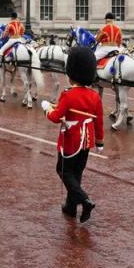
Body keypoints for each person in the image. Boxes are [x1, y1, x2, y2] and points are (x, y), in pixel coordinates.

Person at [40, 46, 104, 223]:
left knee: (64, 170)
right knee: (77, 172)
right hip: (87, 141)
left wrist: (46, 108)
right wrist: (100, 142)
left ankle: (84, 200)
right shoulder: (95, 96)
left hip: (71, 140)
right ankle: (70, 206)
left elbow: (56, 117)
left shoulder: (68, 95)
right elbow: (98, 121)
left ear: (71, 73)